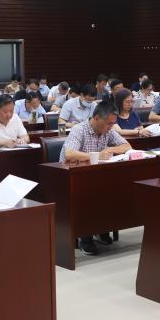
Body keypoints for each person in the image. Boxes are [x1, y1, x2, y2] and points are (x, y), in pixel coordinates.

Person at [61, 100, 132, 256]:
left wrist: (111, 149)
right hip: (72, 179)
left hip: (96, 177)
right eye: (108, 123)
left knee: (114, 191)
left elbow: (127, 146)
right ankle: (85, 237)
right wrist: (97, 155)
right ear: (97, 118)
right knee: (88, 194)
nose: (111, 127)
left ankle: (101, 228)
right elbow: (69, 154)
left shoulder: (108, 130)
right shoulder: (79, 129)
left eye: (113, 123)